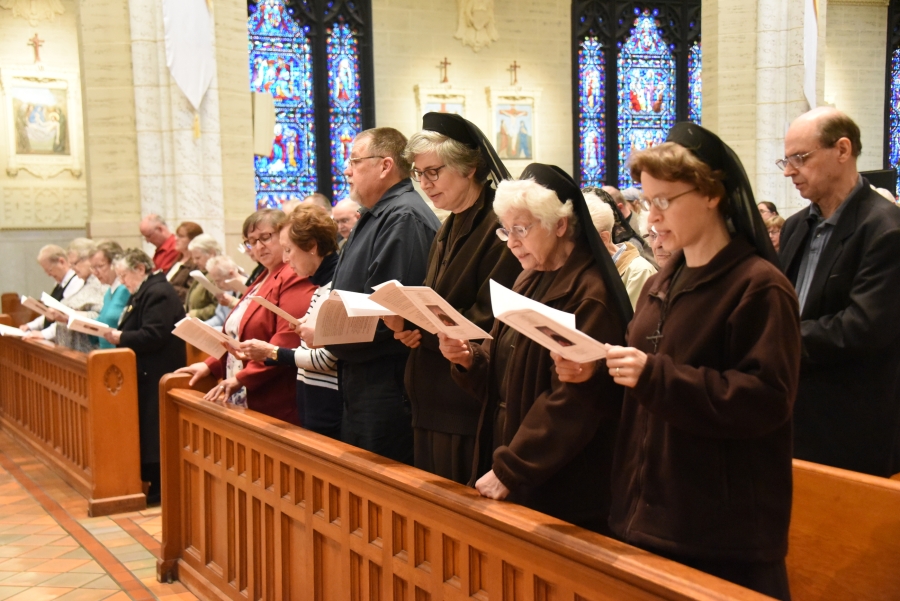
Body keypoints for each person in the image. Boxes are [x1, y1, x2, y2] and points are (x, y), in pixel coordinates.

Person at [599, 123, 799, 600]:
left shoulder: (758, 286)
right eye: (647, 202)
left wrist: (655, 377)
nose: (652, 219)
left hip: (720, 531)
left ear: (712, 194)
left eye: (664, 201)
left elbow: (766, 400)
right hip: (649, 512)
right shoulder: (662, 283)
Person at [440, 164, 631, 533]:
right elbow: (509, 375)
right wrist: (470, 360)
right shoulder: (528, 279)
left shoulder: (591, 294)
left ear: (560, 225)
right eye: (505, 230)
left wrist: (512, 468)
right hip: (517, 462)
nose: (511, 242)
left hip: (562, 483)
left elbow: (575, 401)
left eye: (521, 229)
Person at [382, 112, 522, 484]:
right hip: (433, 399)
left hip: (465, 403)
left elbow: (487, 317)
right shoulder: (450, 223)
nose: (425, 183)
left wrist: (416, 326)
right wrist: (409, 326)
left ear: (469, 167)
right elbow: (437, 300)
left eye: (433, 172)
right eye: (419, 173)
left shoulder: (499, 227)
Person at [304, 127, 440, 464]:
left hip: (388, 383)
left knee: (383, 486)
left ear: (385, 165)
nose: (346, 170)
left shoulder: (403, 218)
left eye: (354, 161)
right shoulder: (377, 214)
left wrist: (329, 333)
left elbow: (393, 309)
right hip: (363, 379)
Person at [779, 107, 900, 477]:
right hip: (789, 410)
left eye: (800, 158)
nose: (788, 171)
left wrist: (777, 339)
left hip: (848, 422)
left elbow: (861, 328)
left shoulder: (885, 229)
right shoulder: (796, 226)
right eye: (785, 161)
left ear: (843, 150)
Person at [177, 209, 315, 425]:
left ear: (284, 235)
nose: (259, 246)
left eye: (265, 237)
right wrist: (211, 365)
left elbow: (286, 338)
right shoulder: (263, 276)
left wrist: (242, 377)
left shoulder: (292, 275)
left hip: (273, 397)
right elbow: (236, 335)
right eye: (252, 241)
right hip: (246, 390)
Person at [238, 205, 343, 439]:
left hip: (328, 412)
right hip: (314, 406)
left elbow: (325, 359)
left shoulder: (334, 289)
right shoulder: (321, 287)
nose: (285, 259)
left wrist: (272, 352)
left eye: (289, 250)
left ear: (312, 247)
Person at [102, 249, 186, 504]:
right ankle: (151, 484)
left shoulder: (158, 292)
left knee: (155, 433)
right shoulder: (145, 291)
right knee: (148, 433)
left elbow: (154, 334)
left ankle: (160, 489)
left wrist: (120, 337)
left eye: (124, 275)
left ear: (140, 269)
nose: (124, 281)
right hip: (145, 372)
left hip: (157, 372)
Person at [585, 191, 657, 308]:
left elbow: (633, 324)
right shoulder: (592, 266)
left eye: (581, 240)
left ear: (603, 239)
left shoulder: (638, 272)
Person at [52, 238, 107, 353]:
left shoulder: (100, 283)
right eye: (70, 264)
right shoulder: (84, 282)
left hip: (88, 351)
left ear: (89, 260)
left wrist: (71, 315)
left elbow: (101, 317)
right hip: (72, 351)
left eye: (75, 263)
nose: (72, 268)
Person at [21, 244, 84, 340]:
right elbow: (49, 314)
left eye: (49, 270)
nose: (48, 274)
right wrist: (30, 326)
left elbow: (65, 318)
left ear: (61, 262)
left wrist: (43, 334)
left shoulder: (76, 282)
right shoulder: (59, 283)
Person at [89, 241, 130, 349]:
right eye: (93, 268)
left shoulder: (126, 289)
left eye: (100, 266)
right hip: (105, 353)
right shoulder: (108, 292)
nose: (95, 272)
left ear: (115, 264)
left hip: (119, 353)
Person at [184, 234, 221, 321]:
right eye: (193, 258)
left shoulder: (218, 274)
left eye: (198, 258)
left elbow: (220, 307)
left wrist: (195, 314)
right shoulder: (204, 272)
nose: (195, 262)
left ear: (212, 253)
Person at [166, 221, 204, 303]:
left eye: (181, 236)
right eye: (176, 235)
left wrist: (167, 287)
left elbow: (192, 293)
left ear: (193, 240)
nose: (176, 239)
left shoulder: (196, 264)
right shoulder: (177, 260)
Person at [203, 255, 243, 329]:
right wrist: (201, 326)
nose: (217, 285)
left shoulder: (248, 288)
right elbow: (220, 317)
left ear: (231, 274)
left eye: (218, 281)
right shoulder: (227, 291)